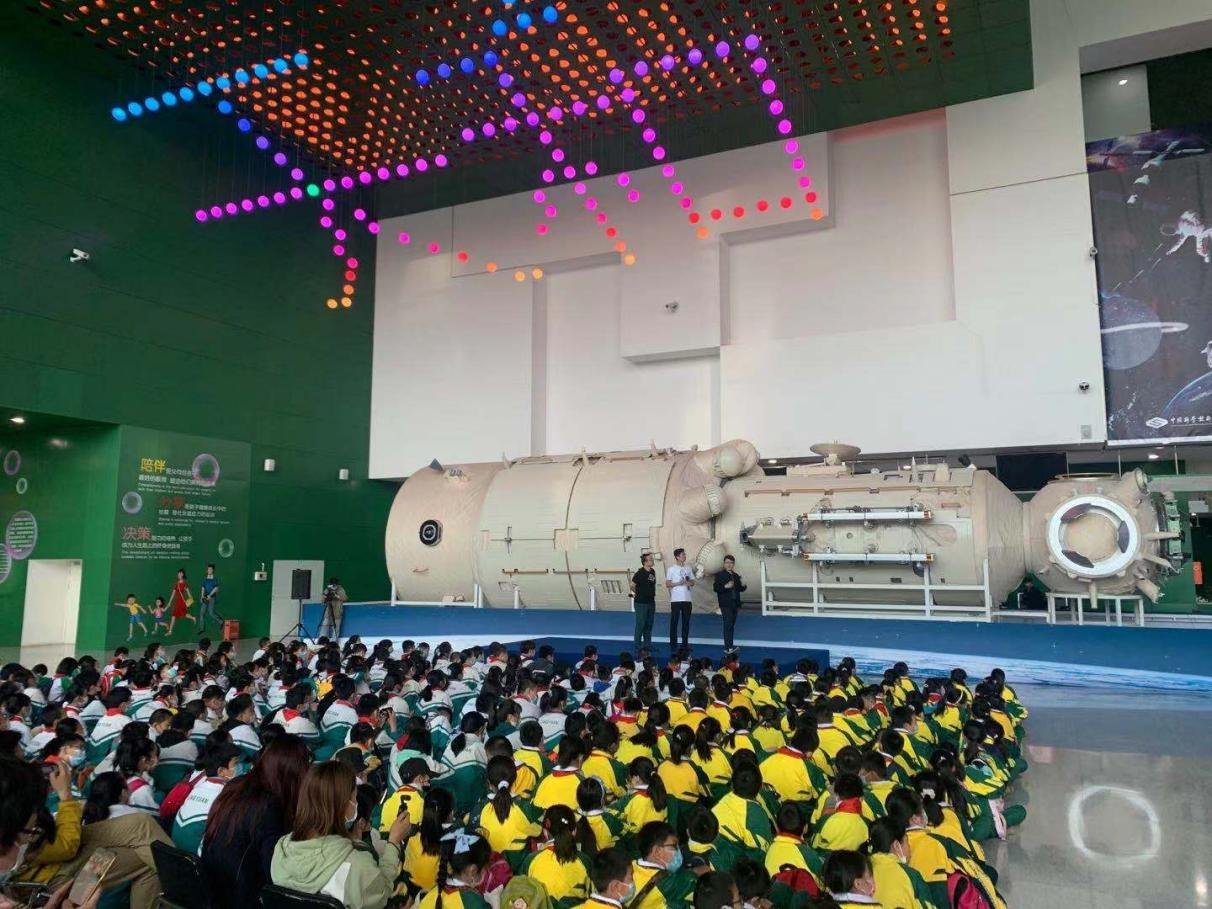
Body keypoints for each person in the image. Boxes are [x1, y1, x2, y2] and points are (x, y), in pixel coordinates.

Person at [271, 761, 410, 908]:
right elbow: (382, 892)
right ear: (344, 805)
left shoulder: (281, 850)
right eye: (354, 798)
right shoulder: (357, 866)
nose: (356, 803)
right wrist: (394, 842)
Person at [202, 734, 311, 906]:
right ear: (294, 771)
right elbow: (275, 871)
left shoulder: (236, 785)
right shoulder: (268, 805)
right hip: (241, 898)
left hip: (214, 889)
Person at [713, 556, 746, 654]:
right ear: (724, 564)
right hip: (726, 604)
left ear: (733, 564)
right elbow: (716, 588)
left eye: (731, 562)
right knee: (728, 625)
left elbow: (740, 589)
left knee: (731, 625)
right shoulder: (720, 575)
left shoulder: (736, 575)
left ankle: (730, 646)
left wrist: (744, 585)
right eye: (727, 562)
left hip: (735, 604)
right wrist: (725, 586)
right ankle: (728, 648)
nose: (729, 564)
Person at [665, 548, 695, 655]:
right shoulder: (671, 569)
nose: (685, 556)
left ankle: (684, 645)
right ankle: (673, 645)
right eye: (683, 554)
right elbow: (667, 584)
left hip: (687, 599)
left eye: (685, 554)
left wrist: (689, 583)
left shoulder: (688, 568)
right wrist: (678, 583)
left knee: (686, 622)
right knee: (674, 622)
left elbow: (693, 581)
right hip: (676, 600)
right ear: (677, 557)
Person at [630, 553, 658, 657]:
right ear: (645, 562)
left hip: (651, 602)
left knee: (649, 624)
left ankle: (647, 645)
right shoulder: (639, 573)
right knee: (640, 625)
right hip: (641, 603)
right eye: (650, 559)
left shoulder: (653, 571)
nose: (652, 560)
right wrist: (639, 593)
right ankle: (637, 647)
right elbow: (632, 586)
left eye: (652, 559)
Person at [167, 568, 196, 635]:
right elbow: (173, 594)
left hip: (182, 602)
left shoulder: (184, 584)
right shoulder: (176, 584)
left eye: (180, 573)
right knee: (183, 614)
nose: (178, 575)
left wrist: (190, 600)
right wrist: (169, 602)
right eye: (178, 574)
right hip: (177, 602)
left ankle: (170, 631)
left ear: (182, 574)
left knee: (174, 615)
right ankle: (193, 618)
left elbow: (188, 593)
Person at [198, 564, 224, 633]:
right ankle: (202, 629)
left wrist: (210, 595)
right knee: (201, 613)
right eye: (208, 569)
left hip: (212, 598)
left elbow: (216, 588)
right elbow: (203, 588)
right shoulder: (205, 579)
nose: (209, 570)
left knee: (211, 613)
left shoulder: (214, 579)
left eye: (210, 569)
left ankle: (221, 621)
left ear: (213, 570)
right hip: (205, 597)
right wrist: (202, 596)